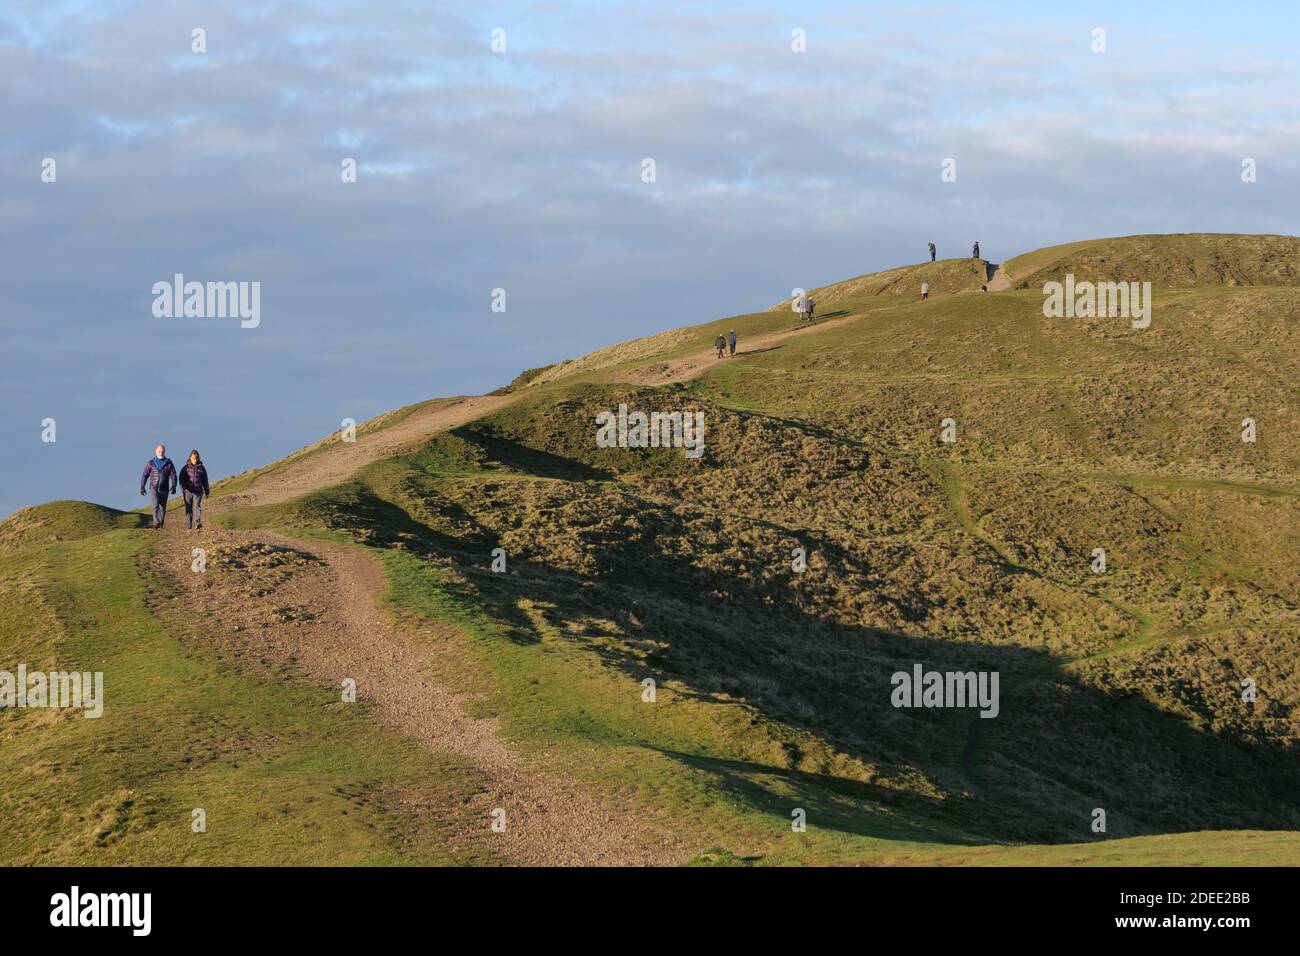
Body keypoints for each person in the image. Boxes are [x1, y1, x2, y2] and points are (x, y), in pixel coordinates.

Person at [140, 444, 177, 529]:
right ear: (156, 451)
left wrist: (174, 485)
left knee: (162, 508)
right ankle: (156, 522)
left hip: (164, 488)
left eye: (162, 451)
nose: (161, 452)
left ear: (165, 451)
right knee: (155, 506)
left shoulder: (169, 463)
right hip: (154, 487)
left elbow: (173, 474)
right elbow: (145, 474)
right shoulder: (151, 463)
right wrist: (142, 486)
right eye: (159, 451)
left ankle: (160, 523)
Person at [179, 449, 210, 531]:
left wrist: (207, 491)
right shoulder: (185, 468)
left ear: (198, 458)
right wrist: (184, 489)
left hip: (198, 490)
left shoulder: (202, 468)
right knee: (188, 508)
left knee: (197, 506)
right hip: (188, 491)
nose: (195, 460)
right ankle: (189, 524)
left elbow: (205, 481)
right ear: (190, 458)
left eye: (196, 458)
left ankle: (197, 523)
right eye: (193, 458)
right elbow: (181, 479)